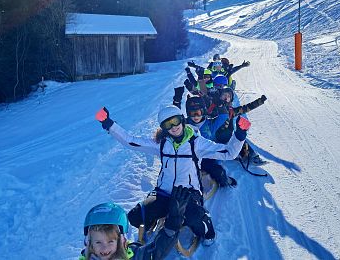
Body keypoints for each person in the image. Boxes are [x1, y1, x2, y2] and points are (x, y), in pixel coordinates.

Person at [95, 105, 251, 246]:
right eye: (168, 124)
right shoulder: (161, 144)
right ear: (163, 128)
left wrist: (239, 134)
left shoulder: (196, 143)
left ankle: (206, 225)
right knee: (135, 216)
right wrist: (109, 124)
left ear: (182, 120)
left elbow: (228, 153)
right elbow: (131, 141)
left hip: (188, 193)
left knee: (194, 218)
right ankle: (154, 219)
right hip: (164, 192)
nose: (174, 127)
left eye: (176, 121)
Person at [79, 186, 191, 260]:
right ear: (90, 243)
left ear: (120, 241)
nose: (104, 248)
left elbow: (156, 251)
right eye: (98, 242)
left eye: (110, 241)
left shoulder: (133, 256)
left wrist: (174, 221)